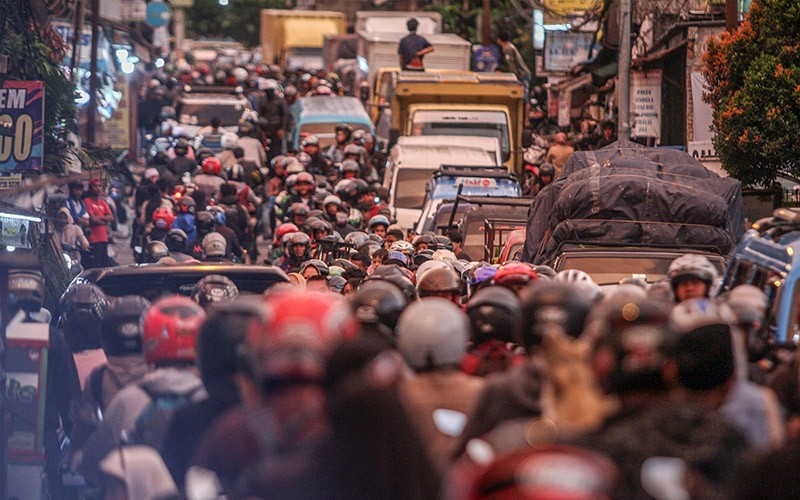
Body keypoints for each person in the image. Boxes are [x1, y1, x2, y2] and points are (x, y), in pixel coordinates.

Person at [84, 178, 114, 268]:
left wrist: (99, 219)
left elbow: (111, 217)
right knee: (95, 264)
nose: (97, 188)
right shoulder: (87, 201)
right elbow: (92, 219)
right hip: (93, 238)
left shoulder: (103, 202)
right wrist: (104, 221)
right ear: (90, 188)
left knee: (103, 264)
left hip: (103, 237)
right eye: (95, 186)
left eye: (99, 186)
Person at [496, 32, 532, 100]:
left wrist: (513, 79)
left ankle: (525, 110)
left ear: (499, 40)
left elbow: (511, 65)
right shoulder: (510, 46)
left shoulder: (507, 48)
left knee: (523, 97)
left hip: (522, 75)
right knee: (524, 97)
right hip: (523, 74)